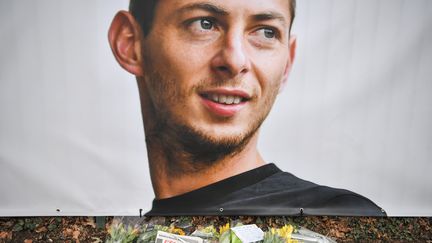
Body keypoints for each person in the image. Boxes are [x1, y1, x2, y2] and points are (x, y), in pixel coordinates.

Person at [108, 0, 386, 216]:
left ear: (287, 63)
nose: (235, 60)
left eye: (266, 32)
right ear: (130, 43)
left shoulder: (337, 218)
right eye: (204, 24)